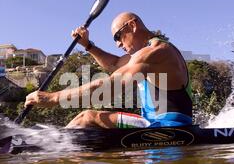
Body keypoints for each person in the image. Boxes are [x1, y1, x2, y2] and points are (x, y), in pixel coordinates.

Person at [24, 12, 192, 128]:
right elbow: (115, 64)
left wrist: (53, 98)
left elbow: (110, 86)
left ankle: (49, 151)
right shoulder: (146, 54)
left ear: (132, 25)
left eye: (117, 37)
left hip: (168, 127)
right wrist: (88, 46)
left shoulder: (156, 52)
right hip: (152, 123)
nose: (118, 44)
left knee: (87, 117)